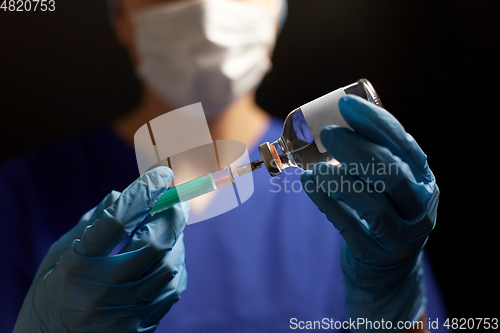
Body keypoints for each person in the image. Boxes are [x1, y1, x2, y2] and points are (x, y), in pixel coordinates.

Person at [0, 0, 446, 332]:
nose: (209, 14)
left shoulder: (353, 187)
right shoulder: (22, 196)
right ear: (120, 15)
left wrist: (395, 304)